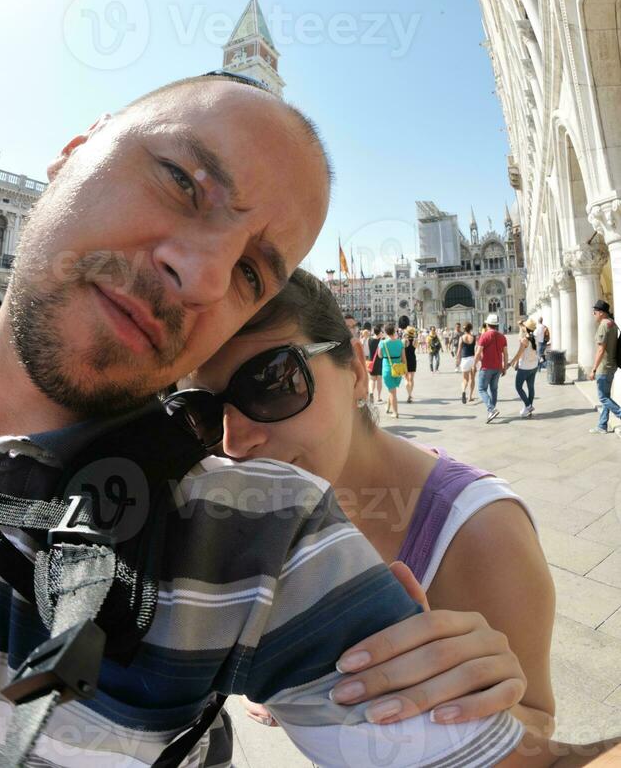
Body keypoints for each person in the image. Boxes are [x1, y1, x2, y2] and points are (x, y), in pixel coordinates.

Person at [0, 72, 487, 768]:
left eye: (250, 275)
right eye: (184, 182)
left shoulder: (259, 538)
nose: (203, 276)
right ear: (71, 153)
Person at [181, 270, 621, 765]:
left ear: (355, 369)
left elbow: (537, 724)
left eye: (272, 383)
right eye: (199, 411)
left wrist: (464, 699)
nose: (234, 444)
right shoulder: (248, 517)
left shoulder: (480, 534)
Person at [589, 299, 621, 436]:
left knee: (603, 398)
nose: (593, 314)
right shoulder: (612, 324)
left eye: (595, 312)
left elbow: (601, 350)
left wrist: (593, 369)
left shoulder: (603, 325)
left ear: (601, 313)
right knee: (606, 397)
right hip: (612, 365)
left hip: (604, 367)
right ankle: (602, 425)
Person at [475, 312, 509, 423]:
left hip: (486, 367)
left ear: (487, 324)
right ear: (497, 325)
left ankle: (491, 409)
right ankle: (492, 411)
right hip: (498, 367)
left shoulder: (484, 336)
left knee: (481, 389)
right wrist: (504, 367)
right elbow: (506, 354)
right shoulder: (502, 337)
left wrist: (474, 365)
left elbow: (478, 352)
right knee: (494, 390)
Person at [509, 319, 539, 418]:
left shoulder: (524, 340)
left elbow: (518, 354)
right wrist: (521, 325)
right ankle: (528, 409)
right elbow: (526, 329)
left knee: (518, 387)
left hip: (525, 367)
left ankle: (528, 405)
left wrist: (511, 363)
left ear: (526, 328)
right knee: (531, 387)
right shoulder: (535, 338)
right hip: (534, 366)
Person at [379, 321, 405, 418]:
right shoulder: (400, 342)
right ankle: (388, 407)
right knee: (392, 389)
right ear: (394, 331)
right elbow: (404, 358)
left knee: (392, 391)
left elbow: (380, 355)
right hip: (398, 369)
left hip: (387, 369)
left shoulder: (383, 343)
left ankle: (395, 412)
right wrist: (405, 370)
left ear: (385, 332)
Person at [456, 321, 477, 403]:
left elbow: (459, 350)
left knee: (465, 379)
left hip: (464, 360)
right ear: (471, 328)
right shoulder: (474, 337)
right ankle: (470, 396)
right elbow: (476, 349)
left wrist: (457, 360)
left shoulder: (461, 337)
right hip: (472, 359)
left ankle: (463, 391)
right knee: (472, 379)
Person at [367, 323, 384, 403]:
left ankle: (371, 393)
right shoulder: (381, 341)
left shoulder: (370, 340)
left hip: (371, 361)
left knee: (372, 379)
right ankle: (379, 397)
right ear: (380, 332)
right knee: (379, 379)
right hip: (379, 362)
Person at [403, 325, 417, 403]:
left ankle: (408, 394)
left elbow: (402, 350)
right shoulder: (415, 341)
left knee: (406, 378)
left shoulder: (404, 341)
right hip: (413, 360)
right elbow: (416, 348)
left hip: (405, 360)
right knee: (411, 378)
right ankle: (410, 394)